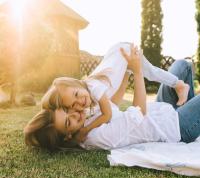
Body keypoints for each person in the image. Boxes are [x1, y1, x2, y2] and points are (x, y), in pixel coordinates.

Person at [24, 44, 200, 151]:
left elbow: (113, 104)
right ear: (68, 137)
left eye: (67, 109)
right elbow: (138, 113)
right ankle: (192, 119)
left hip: (162, 111)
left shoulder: (87, 118)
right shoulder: (95, 137)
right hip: (174, 128)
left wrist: (126, 72)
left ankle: (189, 107)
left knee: (182, 65)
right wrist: (138, 72)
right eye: (69, 122)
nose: (75, 113)